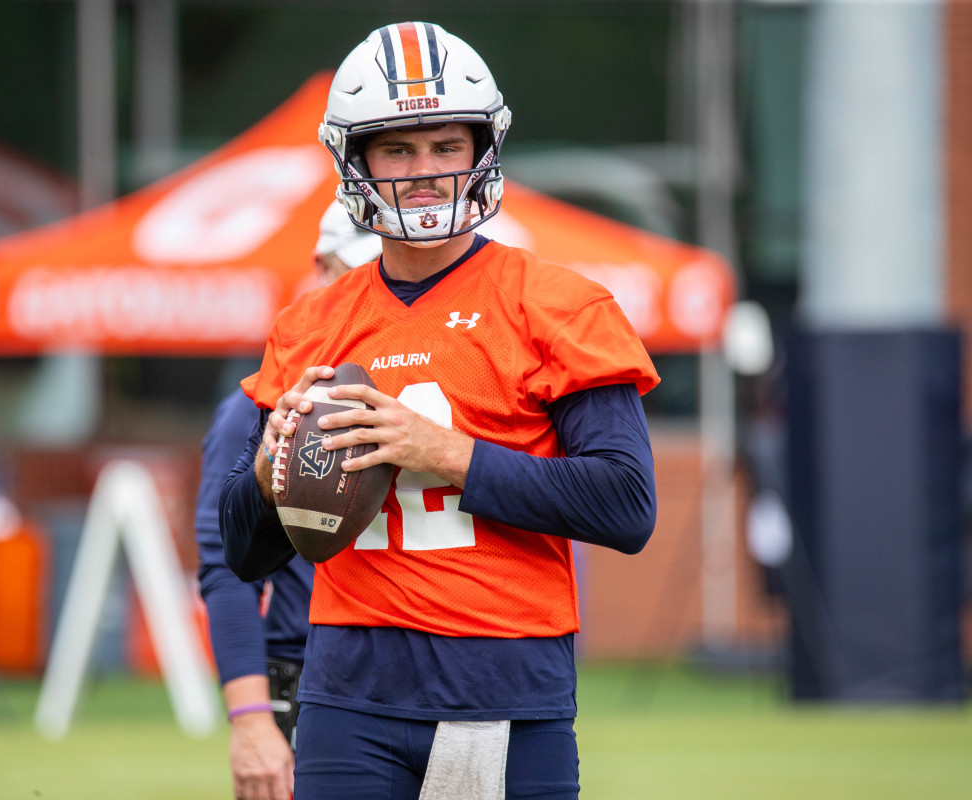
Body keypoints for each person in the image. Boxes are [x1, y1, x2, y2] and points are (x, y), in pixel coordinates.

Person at [219, 22, 660, 800]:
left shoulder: (558, 303)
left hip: (505, 682)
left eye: (445, 147)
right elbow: (248, 553)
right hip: (349, 690)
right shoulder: (311, 324)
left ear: (481, 151)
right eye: (397, 150)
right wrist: (262, 477)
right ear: (355, 162)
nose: (423, 172)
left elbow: (626, 506)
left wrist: (449, 452)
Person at [196, 201, 382, 800]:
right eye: (350, 271)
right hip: (304, 672)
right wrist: (250, 719)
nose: (364, 291)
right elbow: (226, 571)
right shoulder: (261, 404)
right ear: (320, 268)